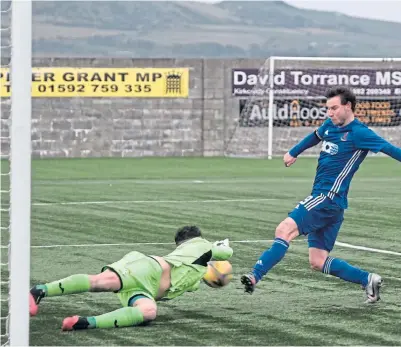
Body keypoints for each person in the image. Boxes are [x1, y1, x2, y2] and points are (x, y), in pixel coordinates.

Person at [241, 86, 401, 303]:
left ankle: (254, 276)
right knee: (317, 261)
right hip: (333, 205)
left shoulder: (359, 133)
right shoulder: (329, 126)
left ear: (348, 106)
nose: (330, 113)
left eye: (334, 108)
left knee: (284, 229)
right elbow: (314, 137)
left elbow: (390, 149)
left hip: (327, 198)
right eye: (328, 109)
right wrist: (293, 152)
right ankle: (368, 279)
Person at [29, 225, 233, 331]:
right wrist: (223, 246)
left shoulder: (193, 264)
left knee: (148, 312)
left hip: (146, 291)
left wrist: (210, 272)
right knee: (101, 283)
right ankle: (39, 291)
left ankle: (84, 322)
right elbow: (225, 254)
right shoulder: (202, 244)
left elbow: (194, 279)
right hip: (146, 269)